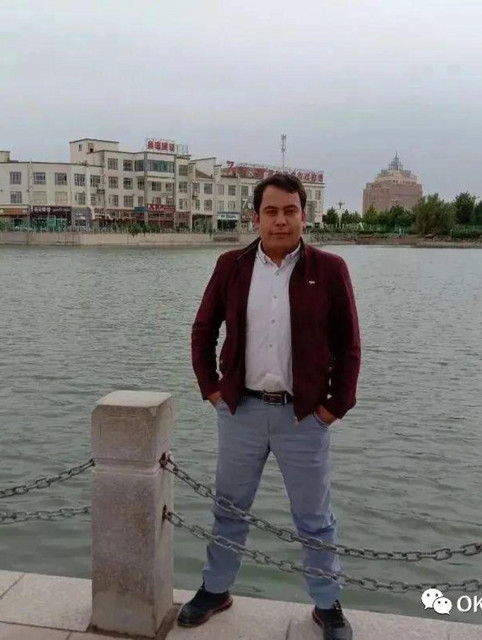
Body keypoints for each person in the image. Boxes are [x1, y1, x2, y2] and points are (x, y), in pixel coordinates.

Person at [178, 173, 361, 639]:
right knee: (229, 508)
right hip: (241, 410)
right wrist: (212, 390)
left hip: (304, 416)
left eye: (290, 211)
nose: (281, 221)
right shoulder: (232, 266)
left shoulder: (330, 269)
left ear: (304, 216)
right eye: (271, 211)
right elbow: (203, 331)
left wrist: (334, 407)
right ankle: (216, 589)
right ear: (256, 217)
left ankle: (327, 603)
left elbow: (349, 345)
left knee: (314, 518)